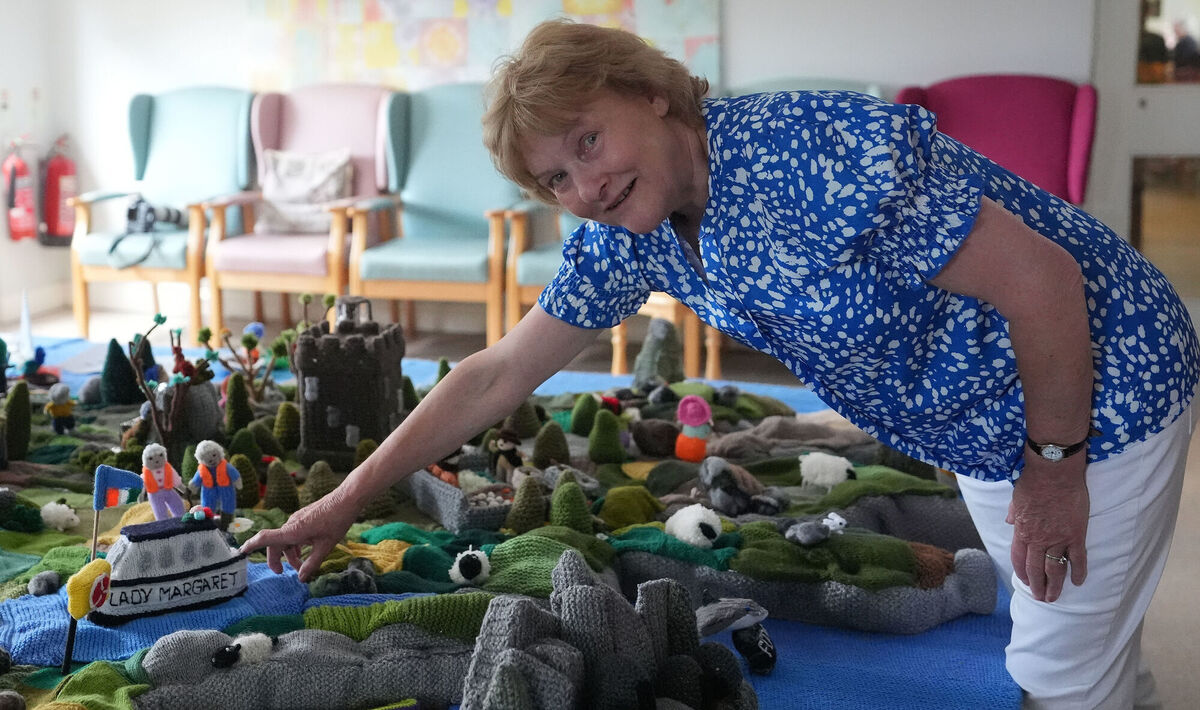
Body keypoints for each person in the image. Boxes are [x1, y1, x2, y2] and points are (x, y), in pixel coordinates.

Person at [243, 19, 1199, 708]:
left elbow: (1043, 282)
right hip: (979, 425)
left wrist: (1055, 469)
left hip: (1098, 386)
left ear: (652, 94)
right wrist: (344, 501)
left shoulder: (802, 150)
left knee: (1056, 672)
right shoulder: (634, 231)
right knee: (1076, 635)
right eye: (555, 177)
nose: (586, 184)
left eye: (588, 140)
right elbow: (494, 375)